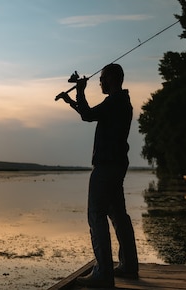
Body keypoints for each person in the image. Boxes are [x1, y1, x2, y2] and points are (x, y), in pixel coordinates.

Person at [57, 63, 139, 288]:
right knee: (118, 215)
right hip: (116, 166)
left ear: (111, 78)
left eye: (102, 78)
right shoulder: (121, 102)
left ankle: (103, 272)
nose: (100, 82)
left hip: (106, 168)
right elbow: (89, 114)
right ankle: (129, 266)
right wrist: (73, 101)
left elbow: (88, 115)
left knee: (96, 215)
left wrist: (80, 91)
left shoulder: (115, 102)